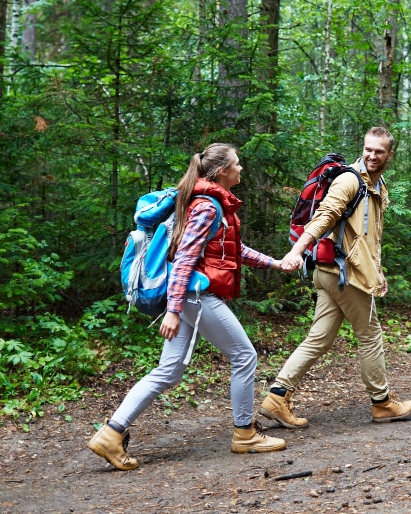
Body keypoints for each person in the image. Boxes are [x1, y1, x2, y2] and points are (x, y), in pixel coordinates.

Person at [88, 144, 293, 470]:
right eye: (237, 164)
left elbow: (233, 250)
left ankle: (111, 434)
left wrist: (277, 263)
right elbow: (183, 260)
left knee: (169, 371)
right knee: (244, 356)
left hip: (189, 297)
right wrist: (172, 309)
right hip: (195, 296)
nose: (242, 169)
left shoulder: (212, 204)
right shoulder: (207, 207)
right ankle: (245, 434)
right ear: (222, 171)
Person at [259, 127, 411, 428]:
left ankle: (277, 396)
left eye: (379, 151)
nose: (372, 155)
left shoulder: (378, 185)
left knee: (319, 338)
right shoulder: (349, 180)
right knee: (370, 336)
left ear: (389, 155)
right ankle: (382, 403)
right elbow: (325, 216)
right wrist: (297, 250)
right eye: (368, 149)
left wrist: (378, 270)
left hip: (336, 273)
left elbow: (371, 237)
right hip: (345, 274)